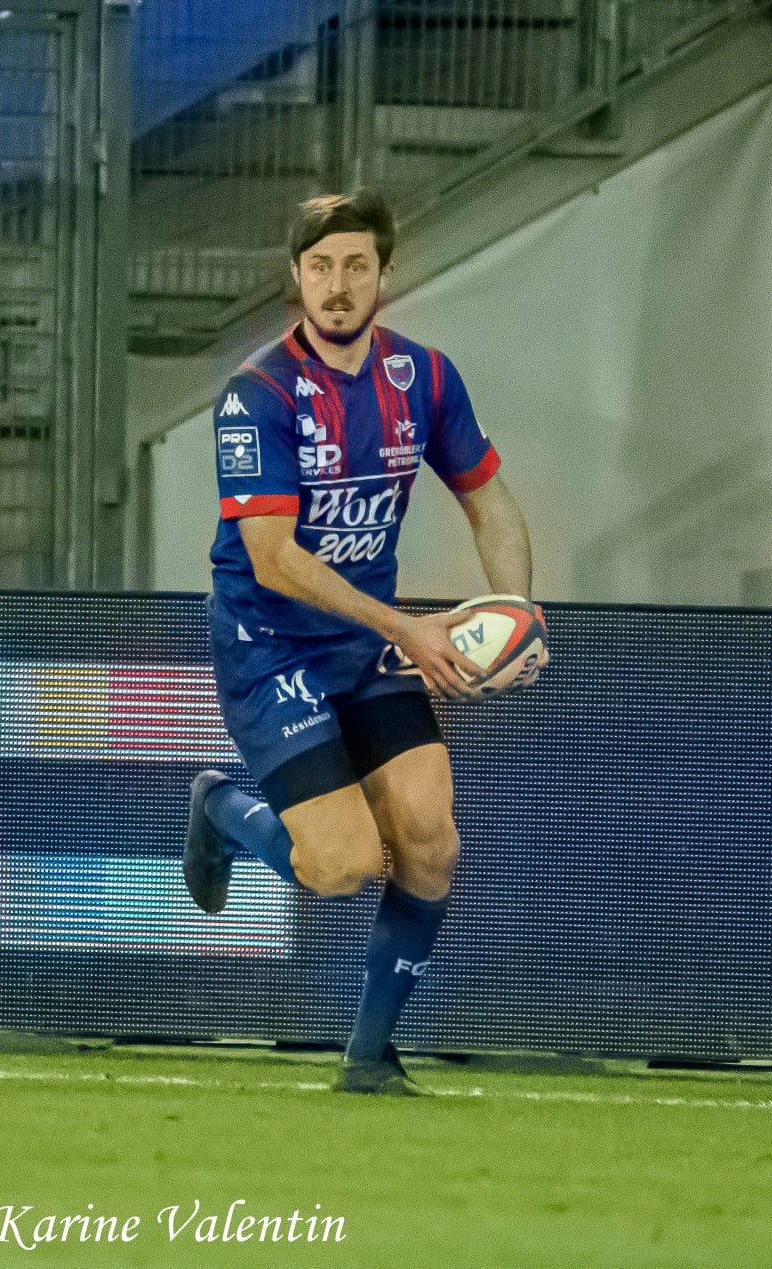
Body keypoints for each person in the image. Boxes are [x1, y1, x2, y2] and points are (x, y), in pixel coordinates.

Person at [184, 189, 541, 1094]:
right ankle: (224, 809)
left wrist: (509, 609)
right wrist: (410, 629)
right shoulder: (256, 393)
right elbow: (271, 558)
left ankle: (369, 1058)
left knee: (430, 840)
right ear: (295, 277)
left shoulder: (424, 378)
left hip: (369, 641)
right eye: (318, 267)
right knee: (341, 867)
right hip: (273, 644)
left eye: (354, 265)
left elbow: (488, 499)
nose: (336, 285)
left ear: (386, 271)